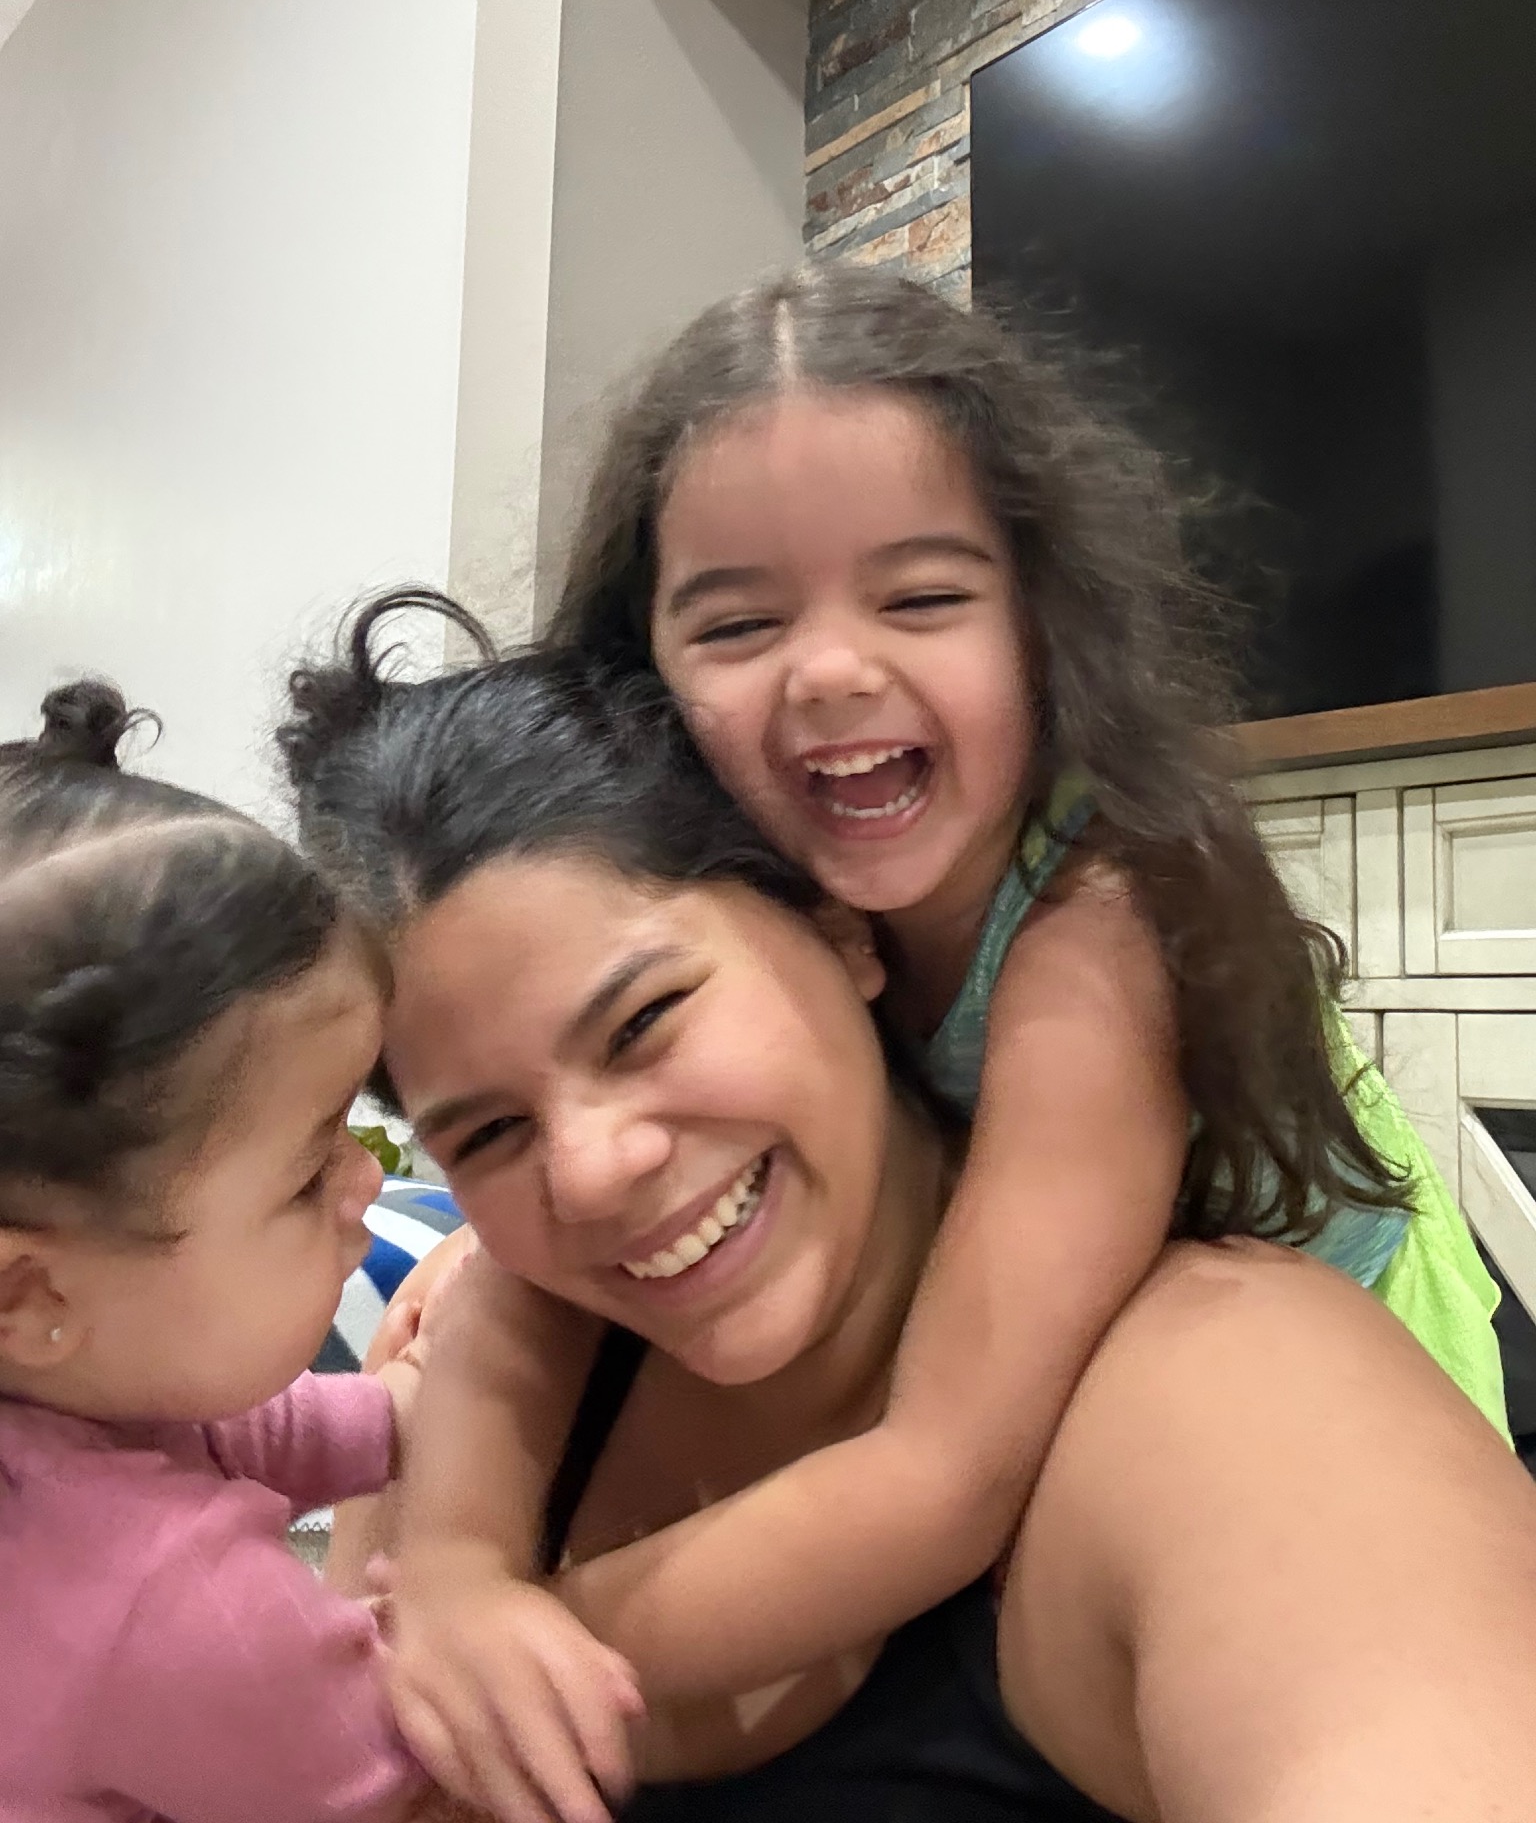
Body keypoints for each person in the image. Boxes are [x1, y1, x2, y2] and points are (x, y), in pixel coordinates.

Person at [369, 271, 1507, 1802]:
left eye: (920, 598)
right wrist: (450, 1575)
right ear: (639, 687)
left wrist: (522, 1658)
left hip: (1338, 1333)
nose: (832, 668)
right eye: (740, 621)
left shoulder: (1098, 927)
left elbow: (944, 1472)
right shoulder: (783, 888)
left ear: (1042, 622)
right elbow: (536, 1284)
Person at [0, 681, 473, 1822]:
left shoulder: (65, 1401)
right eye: (310, 1173)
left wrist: (402, 1403)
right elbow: (438, 1782)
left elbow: (221, 1428)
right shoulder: (187, 1609)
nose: (368, 1180)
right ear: (28, 1290)